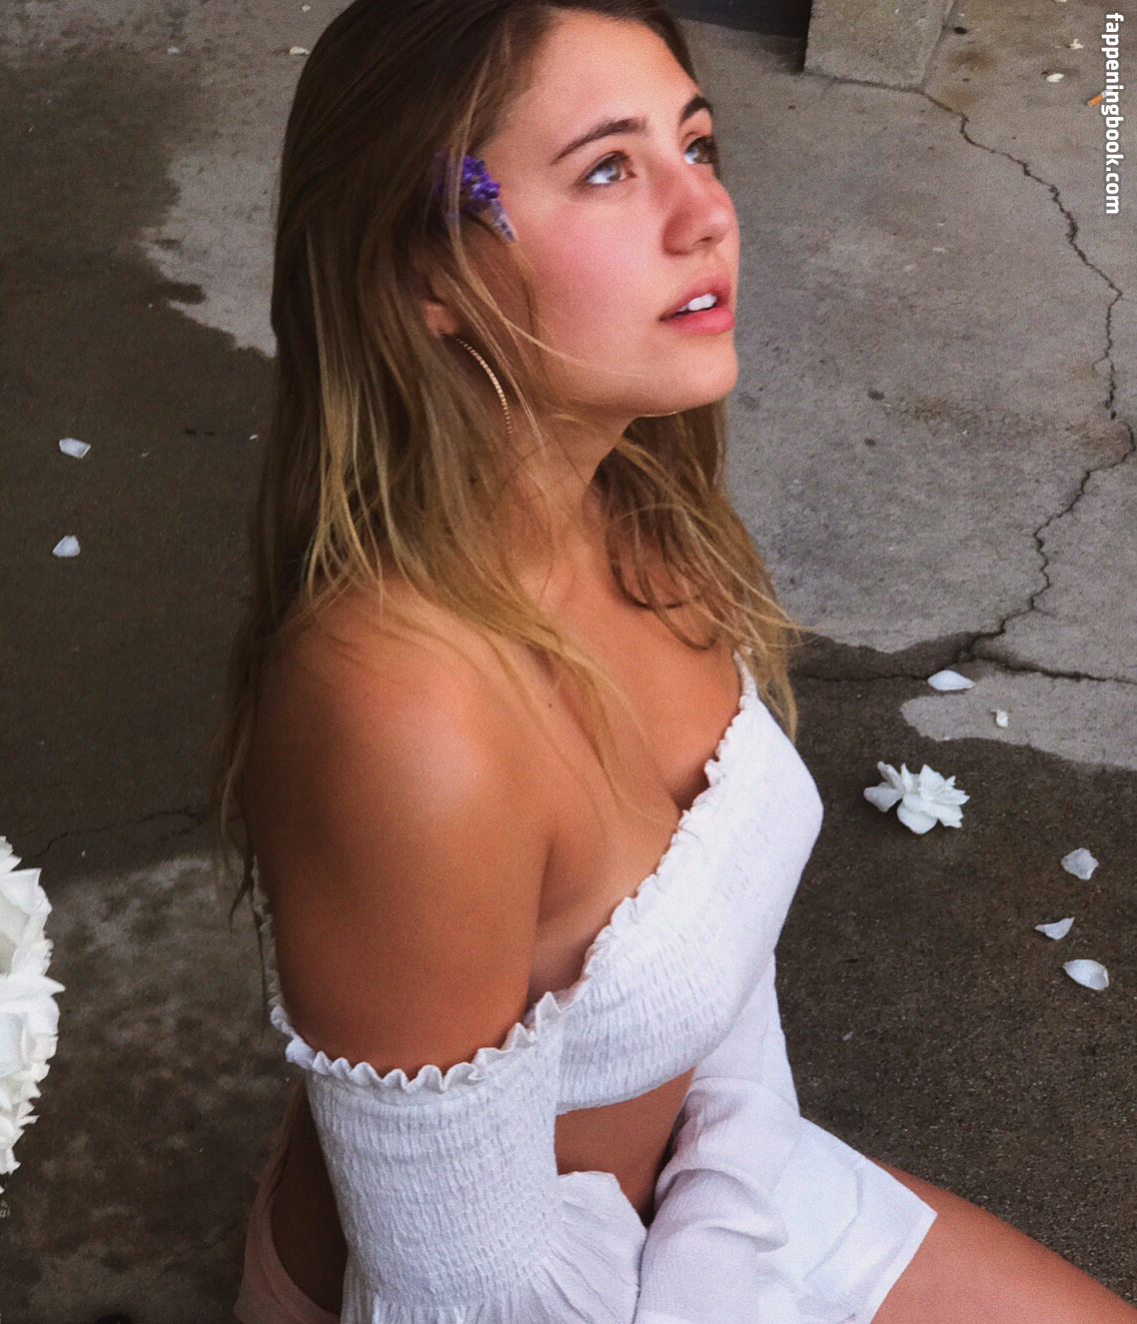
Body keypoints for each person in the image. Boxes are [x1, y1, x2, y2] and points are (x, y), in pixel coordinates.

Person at [214, 2, 1137, 1321]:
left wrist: (731, 1220)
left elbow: (725, 964)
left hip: (716, 1191)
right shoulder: (405, 715)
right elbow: (463, 1296)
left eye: (696, 144)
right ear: (425, 274)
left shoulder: (638, 506)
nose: (708, 213)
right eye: (607, 168)